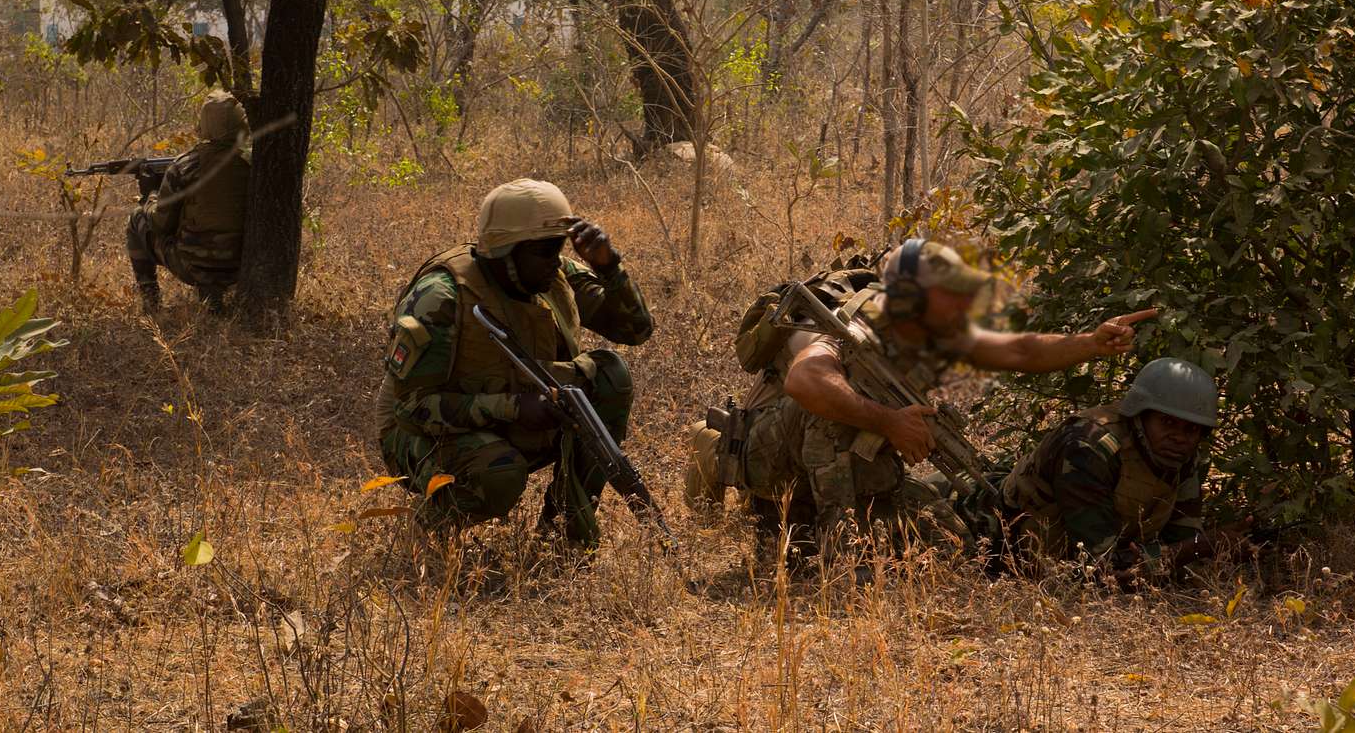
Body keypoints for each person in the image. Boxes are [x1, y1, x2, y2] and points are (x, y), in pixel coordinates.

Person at [686, 238, 1156, 565]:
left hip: (836, 465)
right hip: (773, 455)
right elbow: (807, 381)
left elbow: (1020, 350)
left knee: (949, 539)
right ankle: (836, 552)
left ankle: (814, 525)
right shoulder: (855, 330)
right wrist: (891, 423)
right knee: (833, 417)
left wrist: (1091, 342)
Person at [374, 179, 653, 548]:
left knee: (609, 375)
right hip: (421, 436)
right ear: (505, 251)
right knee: (499, 473)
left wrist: (609, 266)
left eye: (559, 248)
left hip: (516, 412)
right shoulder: (442, 297)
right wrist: (512, 408)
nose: (555, 260)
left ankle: (564, 529)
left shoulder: (554, 276)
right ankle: (426, 533)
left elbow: (635, 330)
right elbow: (411, 409)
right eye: (544, 251)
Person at [965, 357, 1247, 581]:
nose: (1180, 437)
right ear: (1140, 416)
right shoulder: (1088, 447)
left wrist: (1219, 545)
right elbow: (1102, 567)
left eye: (1191, 429)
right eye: (1168, 423)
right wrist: (1202, 545)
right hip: (974, 521)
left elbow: (1179, 546)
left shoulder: (1182, 456)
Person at [125, 90, 251, 313]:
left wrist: (151, 195)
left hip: (192, 266)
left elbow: (160, 224)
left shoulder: (184, 167)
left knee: (137, 218)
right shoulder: (253, 165)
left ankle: (150, 300)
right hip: (241, 265)